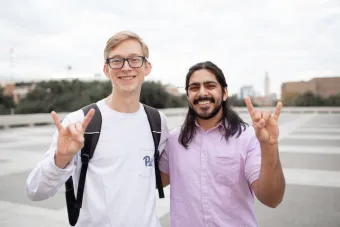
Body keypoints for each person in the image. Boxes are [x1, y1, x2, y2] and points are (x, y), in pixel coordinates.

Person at [26, 31, 169, 227]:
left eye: (135, 59)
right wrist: (61, 158)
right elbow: (35, 191)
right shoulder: (80, 122)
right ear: (106, 69)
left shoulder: (158, 121)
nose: (126, 67)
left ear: (147, 67)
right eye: (117, 61)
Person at [159, 61, 285, 227]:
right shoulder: (175, 140)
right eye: (194, 87)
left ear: (224, 93)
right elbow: (152, 183)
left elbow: (272, 199)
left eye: (210, 85)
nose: (202, 93)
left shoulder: (247, 137)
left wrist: (269, 146)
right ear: (188, 95)